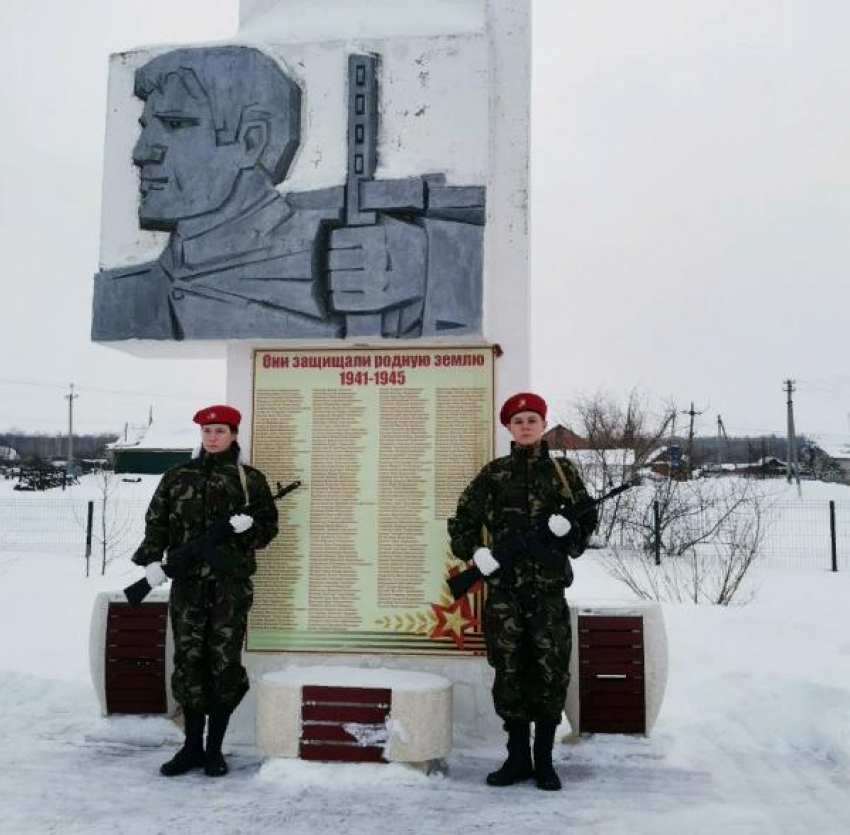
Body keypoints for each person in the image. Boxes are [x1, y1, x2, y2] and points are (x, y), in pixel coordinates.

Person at [90, 45, 484, 342]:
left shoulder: (365, 246)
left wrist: (429, 268)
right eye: (146, 128)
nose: (141, 153)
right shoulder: (122, 295)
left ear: (252, 140)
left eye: (175, 124)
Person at [448, 392, 597, 791]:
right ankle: (517, 758)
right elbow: (462, 521)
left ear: (544, 425)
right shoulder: (494, 475)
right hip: (504, 595)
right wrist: (478, 554)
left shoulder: (563, 473)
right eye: (519, 421)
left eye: (533, 419)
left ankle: (545, 762)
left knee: (550, 674)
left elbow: (586, 523)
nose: (526, 426)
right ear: (509, 428)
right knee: (509, 672)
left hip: (548, 594)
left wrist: (570, 535)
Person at [131, 404, 279, 777]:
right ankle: (191, 747)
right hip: (188, 589)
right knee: (188, 663)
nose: (212, 438)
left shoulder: (250, 480)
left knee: (224, 666)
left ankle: (215, 750)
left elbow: (268, 531)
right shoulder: (177, 476)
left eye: (220, 432)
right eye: (207, 432)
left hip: (230, 589)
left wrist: (250, 529)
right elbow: (156, 523)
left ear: (233, 435)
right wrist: (151, 561)